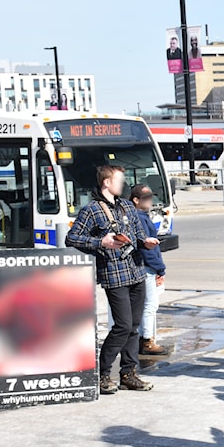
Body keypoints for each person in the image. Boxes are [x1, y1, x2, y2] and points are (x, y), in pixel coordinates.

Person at [66, 165, 161, 394]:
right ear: (107, 183)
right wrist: (101, 243)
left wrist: (145, 241)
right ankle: (102, 374)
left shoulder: (127, 206)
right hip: (114, 274)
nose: (123, 183)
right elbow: (72, 238)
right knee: (123, 326)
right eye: (119, 180)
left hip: (136, 271)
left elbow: (137, 236)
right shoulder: (92, 210)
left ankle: (129, 374)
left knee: (133, 327)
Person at [129, 184, 168, 355]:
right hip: (147, 268)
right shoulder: (140, 218)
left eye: (151, 197)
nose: (151, 201)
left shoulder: (138, 216)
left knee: (143, 304)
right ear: (136, 200)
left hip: (144, 267)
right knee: (150, 304)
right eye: (146, 198)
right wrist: (160, 268)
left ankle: (142, 339)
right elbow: (147, 248)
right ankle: (147, 340)